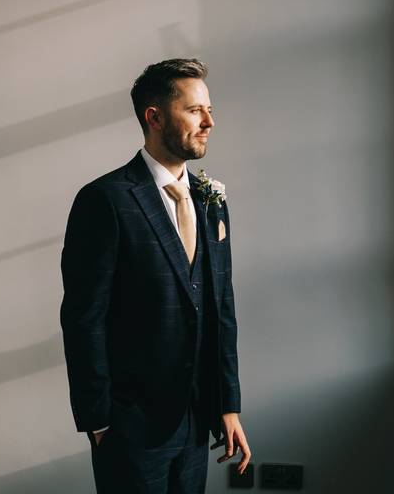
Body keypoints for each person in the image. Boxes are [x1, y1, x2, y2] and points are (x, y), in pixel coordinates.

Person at [60, 58, 251, 493]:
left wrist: (228, 406)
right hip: (129, 427)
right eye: (195, 110)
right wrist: (100, 420)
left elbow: (221, 308)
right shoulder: (104, 200)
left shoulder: (210, 201)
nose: (210, 122)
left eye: (210, 109)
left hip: (196, 422)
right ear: (154, 117)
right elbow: (84, 318)